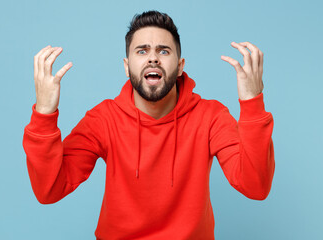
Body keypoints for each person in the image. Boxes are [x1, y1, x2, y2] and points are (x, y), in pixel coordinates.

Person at [23, 10, 275, 240]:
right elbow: (50, 190)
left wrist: (252, 103)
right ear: (126, 66)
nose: (153, 58)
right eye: (142, 51)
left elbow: (256, 186)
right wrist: (45, 113)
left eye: (163, 51)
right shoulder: (104, 119)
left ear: (179, 66)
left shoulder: (210, 116)